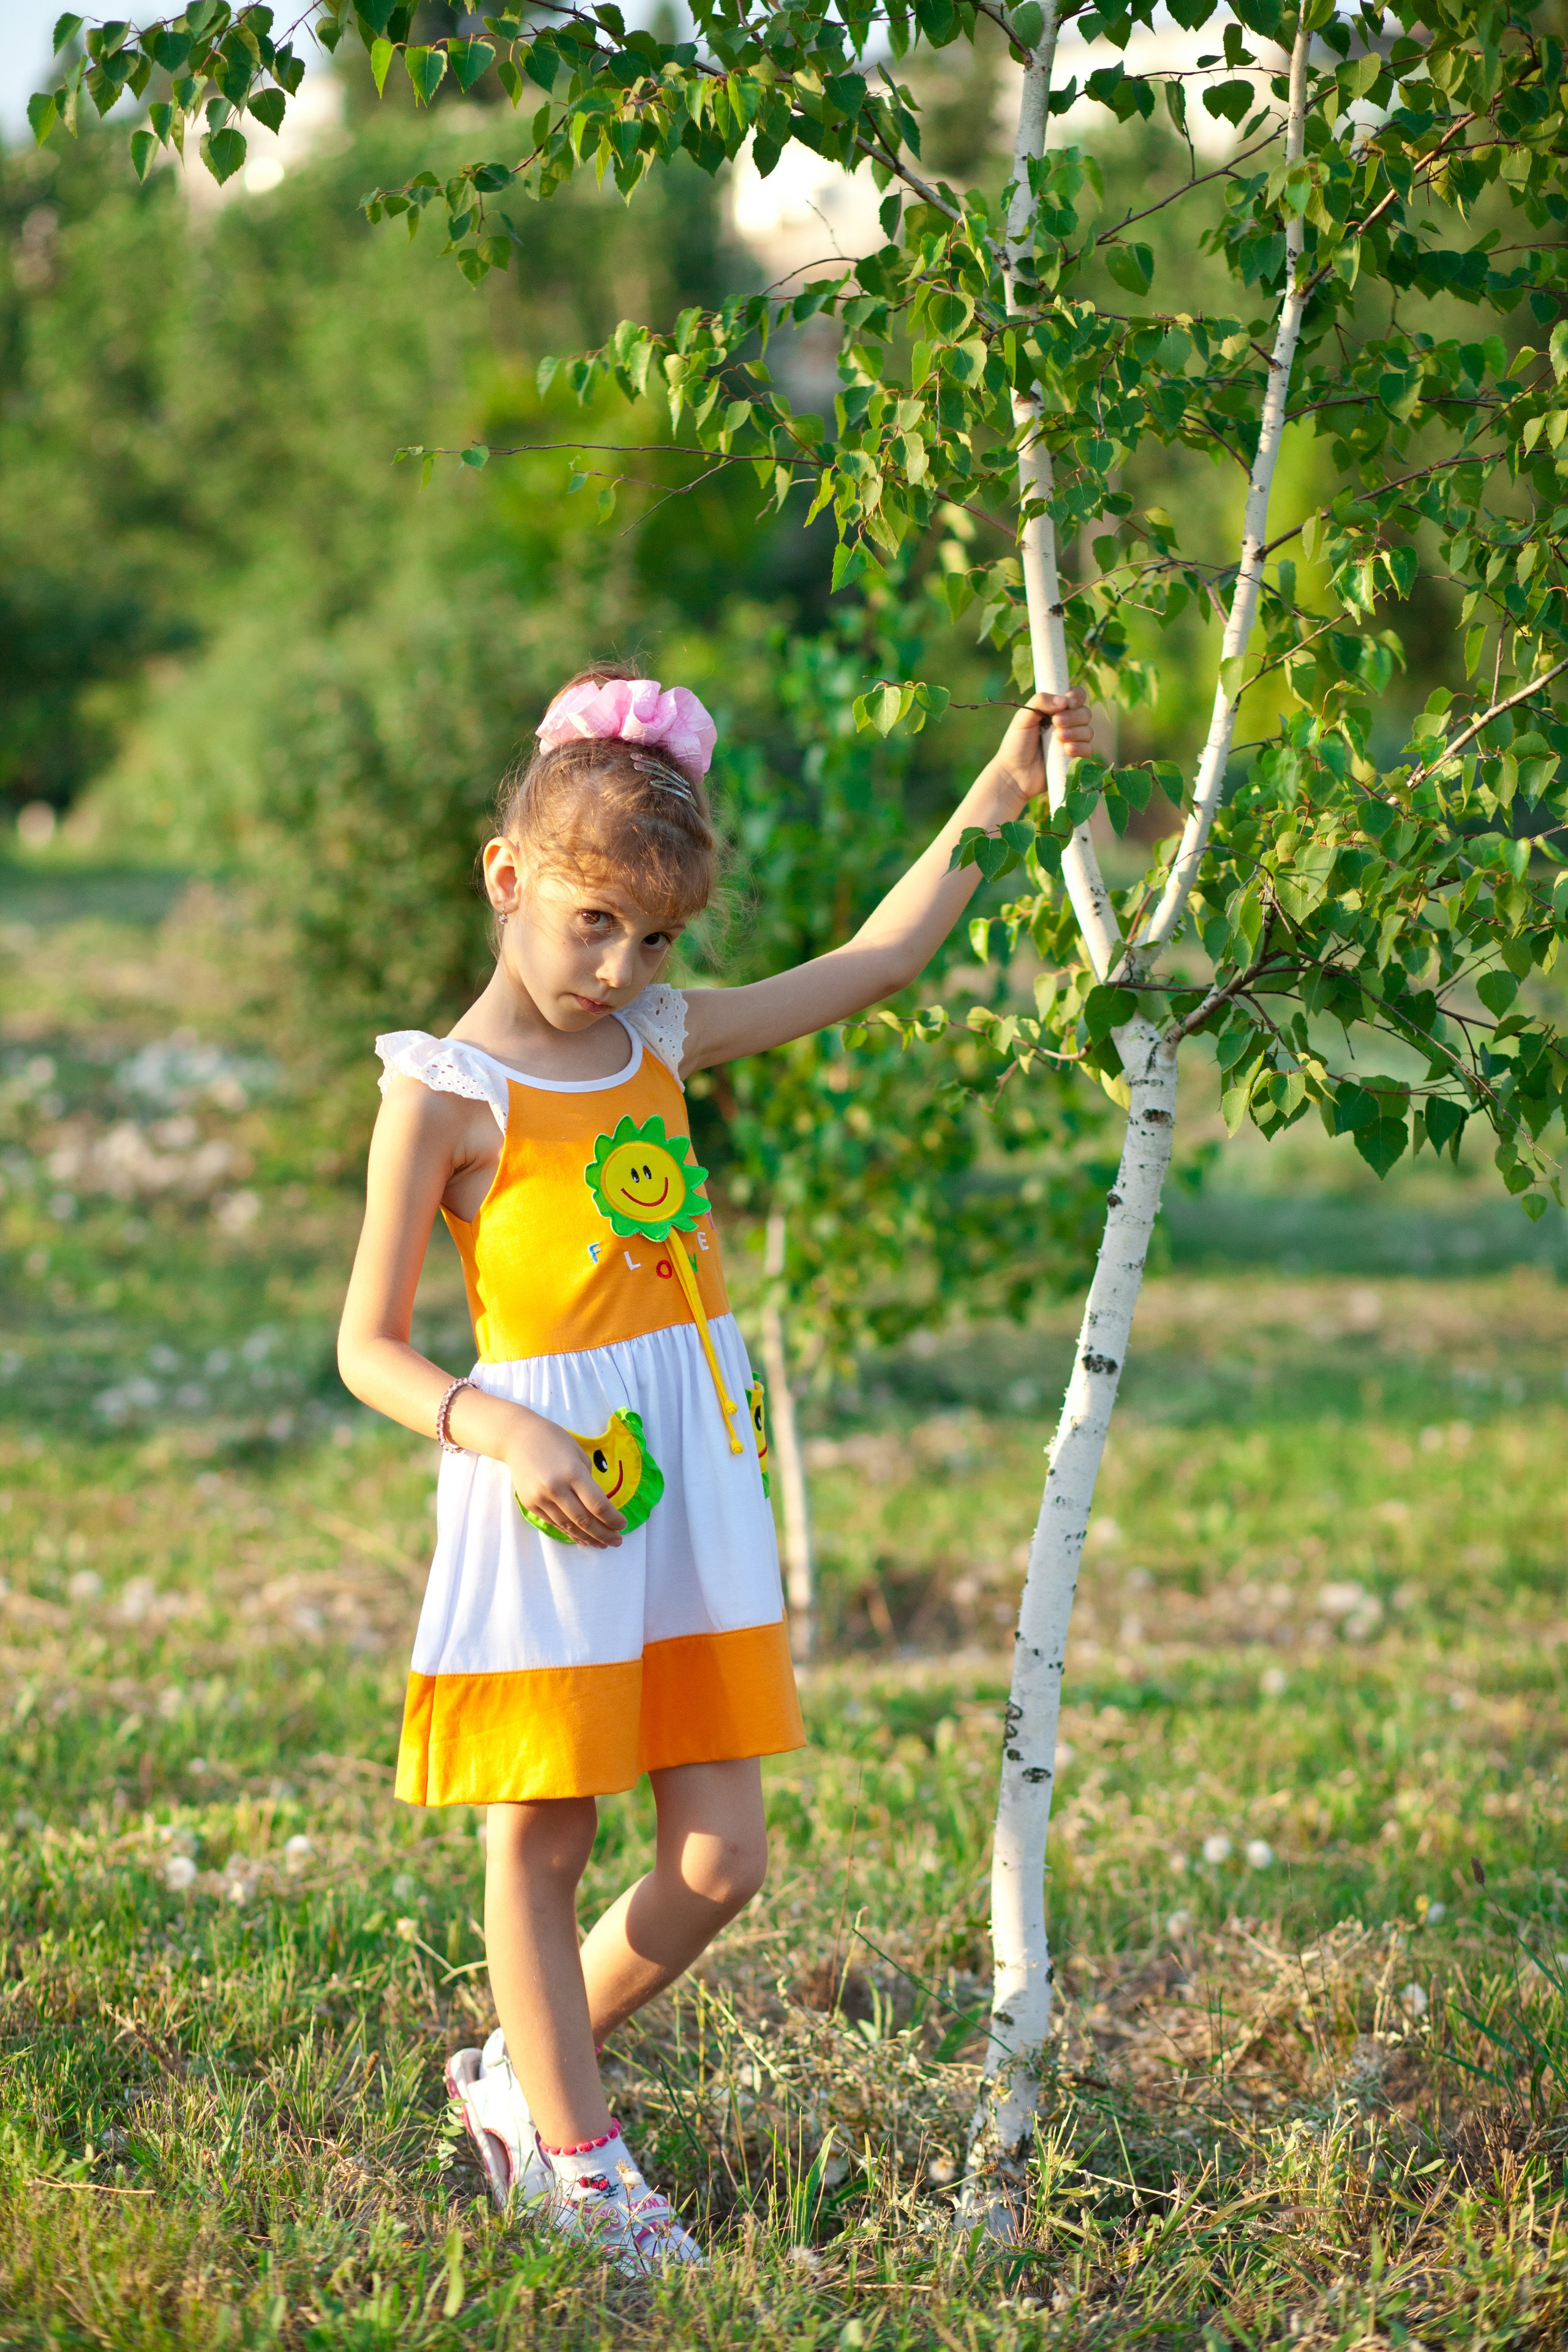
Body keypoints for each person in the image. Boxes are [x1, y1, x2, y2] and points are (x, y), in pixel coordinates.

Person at [336, 664, 1093, 2272]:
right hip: (555, 1497)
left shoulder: (659, 1038)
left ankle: (517, 2075)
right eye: (594, 924)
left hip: (698, 1487)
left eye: (658, 938)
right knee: (542, 1843)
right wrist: (505, 1427)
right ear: (508, 877)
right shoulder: (446, 1093)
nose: (623, 968)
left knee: (721, 1859)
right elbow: (368, 1348)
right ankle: (578, 2159)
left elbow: (878, 963)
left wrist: (1004, 789)